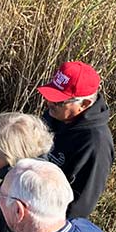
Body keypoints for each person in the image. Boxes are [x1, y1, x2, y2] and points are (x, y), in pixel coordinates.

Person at [37, 61, 114, 218]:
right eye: (50, 95)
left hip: (50, 221)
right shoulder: (55, 115)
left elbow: (80, 205)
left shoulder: (96, 144)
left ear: (84, 104)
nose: (49, 103)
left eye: (59, 101)